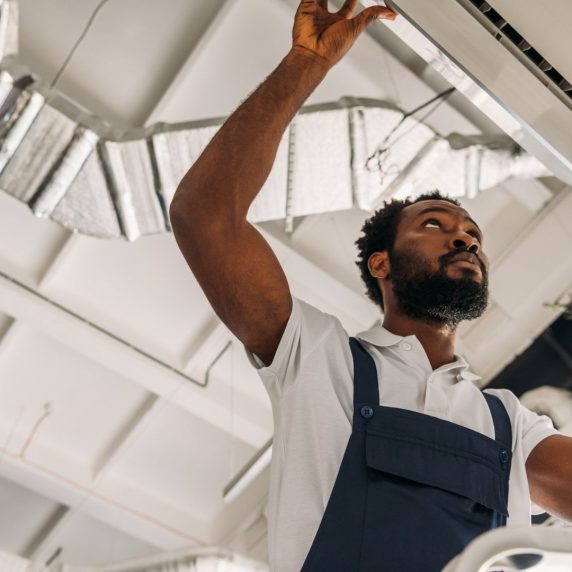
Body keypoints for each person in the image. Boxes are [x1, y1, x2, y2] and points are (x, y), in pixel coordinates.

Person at [169, 1, 572, 570]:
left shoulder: (509, 423)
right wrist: (305, 63)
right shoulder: (316, 359)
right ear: (380, 264)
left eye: (472, 234)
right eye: (436, 224)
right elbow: (204, 214)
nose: (465, 240)